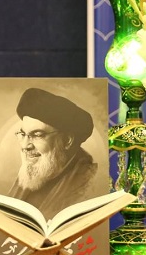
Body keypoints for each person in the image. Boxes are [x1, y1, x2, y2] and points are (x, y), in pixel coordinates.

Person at [8, 87, 99, 219]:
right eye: (23, 134)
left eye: (37, 135)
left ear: (67, 140)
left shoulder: (89, 183)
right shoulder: (29, 174)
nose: (25, 146)